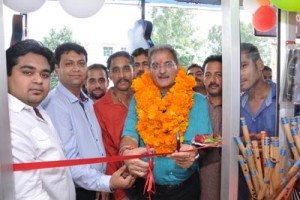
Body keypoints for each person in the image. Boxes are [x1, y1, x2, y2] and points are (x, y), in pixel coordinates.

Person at [41, 42, 135, 200]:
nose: (76, 69)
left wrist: (104, 180)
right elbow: (69, 161)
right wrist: (106, 182)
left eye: (81, 63)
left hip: (97, 185)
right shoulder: (55, 105)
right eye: (69, 63)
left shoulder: (88, 103)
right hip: (78, 190)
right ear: (57, 68)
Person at [119, 44, 212, 200]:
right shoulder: (138, 100)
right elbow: (129, 135)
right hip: (149, 190)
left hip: (186, 190)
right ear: (149, 70)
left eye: (168, 64)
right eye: (156, 65)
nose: (162, 71)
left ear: (178, 68)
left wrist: (194, 154)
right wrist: (127, 152)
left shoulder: (198, 102)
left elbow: (205, 142)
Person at [7, 39, 76, 199]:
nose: (38, 80)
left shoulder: (39, 111)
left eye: (44, 74)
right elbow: (27, 195)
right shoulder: (9, 123)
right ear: (6, 75)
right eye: (28, 72)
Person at [94, 51, 134, 200]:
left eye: (126, 68)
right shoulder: (99, 107)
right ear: (109, 75)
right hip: (123, 183)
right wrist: (119, 193)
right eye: (116, 70)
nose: (122, 75)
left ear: (133, 70)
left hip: (154, 180)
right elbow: (107, 151)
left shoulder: (145, 98)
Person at [239, 43, 276, 199]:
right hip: (244, 188)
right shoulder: (234, 106)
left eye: (243, 66)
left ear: (260, 64)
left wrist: (273, 145)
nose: (238, 74)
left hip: (279, 186)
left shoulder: (285, 102)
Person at [200, 54, 223, 200]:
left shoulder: (237, 107)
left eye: (218, 75)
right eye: (208, 75)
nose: (212, 80)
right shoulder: (195, 106)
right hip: (200, 179)